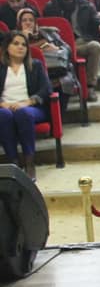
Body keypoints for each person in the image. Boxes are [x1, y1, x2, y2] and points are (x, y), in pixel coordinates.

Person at [42, 0, 100, 101]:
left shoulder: (86, 5)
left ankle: (90, 87)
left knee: (96, 46)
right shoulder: (50, 7)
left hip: (80, 43)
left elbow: (95, 23)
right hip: (58, 46)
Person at [0, 31, 52, 180]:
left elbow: (46, 89)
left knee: (23, 113)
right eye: (15, 44)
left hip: (32, 108)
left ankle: (29, 163)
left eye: (23, 44)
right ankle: (14, 163)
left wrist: (28, 102)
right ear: (7, 47)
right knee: (4, 115)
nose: (20, 47)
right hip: (5, 108)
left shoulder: (35, 65)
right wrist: (2, 104)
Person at [17, 9, 79, 108]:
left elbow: (68, 49)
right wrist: (25, 39)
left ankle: (58, 120)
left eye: (31, 20)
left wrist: (56, 49)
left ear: (35, 22)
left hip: (55, 71)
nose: (28, 23)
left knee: (63, 83)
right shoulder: (15, 39)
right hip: (30, 75)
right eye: (24, 20)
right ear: (19, 24)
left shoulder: (48, 33)